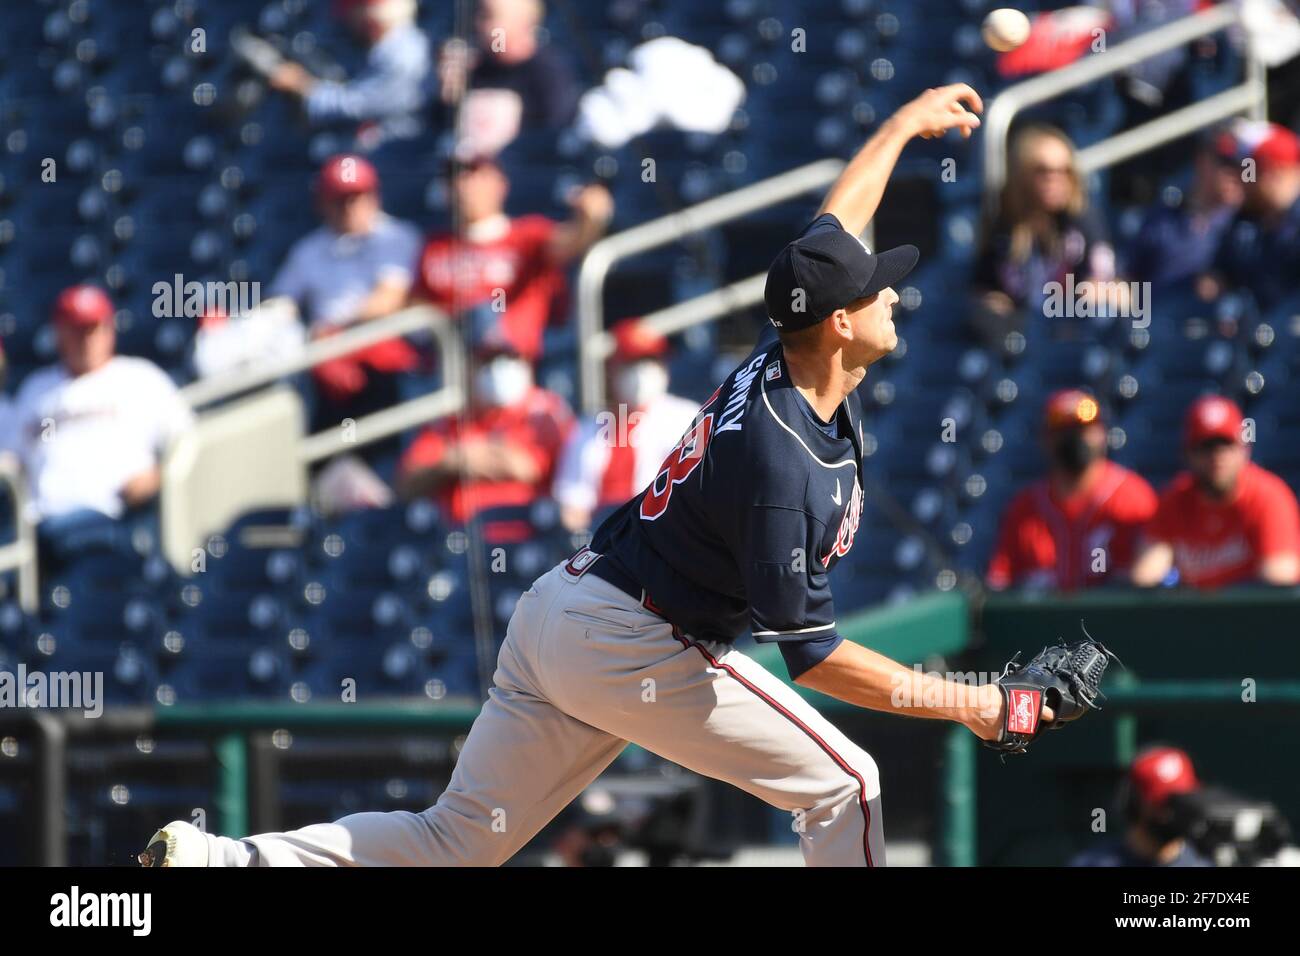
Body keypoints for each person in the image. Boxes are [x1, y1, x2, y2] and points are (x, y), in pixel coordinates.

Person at [140, 85, 1068, 869]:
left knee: (457, 841)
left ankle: (232, 860)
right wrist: (974, 702)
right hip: (636, 642)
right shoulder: (780, 457)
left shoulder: (787, 352)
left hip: (569, 612)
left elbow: (838, 221)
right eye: (878, 289)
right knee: (847, 784)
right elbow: (817, 657)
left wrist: (902, 125)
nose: (894, 292)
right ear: (834, 323)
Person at [1, 286, 193, 571]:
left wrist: (158, 475)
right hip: (41, 524)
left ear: (109, 329)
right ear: (59, 333)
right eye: (77, 330)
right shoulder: (35, 390)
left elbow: (187, 439)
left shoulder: (139, 377)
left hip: (115, 516)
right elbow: (13, 457)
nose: (87, 339)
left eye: (94, 328)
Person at [270, 154, 423, 447]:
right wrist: (316, 339)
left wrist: (328, 333)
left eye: (357, 197)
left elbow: (387, 301)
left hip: (385, 361)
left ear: (374, 196)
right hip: (328, 362)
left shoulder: (396, 237)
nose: (350, 207)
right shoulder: (309, 250)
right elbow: (281, 305)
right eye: (340, 199)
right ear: (322, 203)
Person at [411, 155, 613, 361]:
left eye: (474, 175)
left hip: (512, 366)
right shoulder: (432, 246)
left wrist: (589, 220)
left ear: (500, 183)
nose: (464, 185)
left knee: (485, 313)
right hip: (447, 365)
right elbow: (415, 306)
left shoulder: (526, 234)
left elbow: (571, 244)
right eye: (455, 177)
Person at [986, 389, 1158, 591]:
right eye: (1064, 431)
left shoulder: (1132, 498)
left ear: (1102, 433)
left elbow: (1150, 582)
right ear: (1046, 439)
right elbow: (999, 582)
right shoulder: (1025, 509)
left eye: (1082, 429)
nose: (1075, 439)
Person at [970, 124, 1122, 345]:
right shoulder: (1002, 226)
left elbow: (1100, 282)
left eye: (1064, 171)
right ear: (1022, 173)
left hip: (1072, 329)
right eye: (1043, 171)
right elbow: (985, 289)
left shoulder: (1082, 220)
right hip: (1020, 332)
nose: (1054, 179)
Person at [396, 340, 573, 525]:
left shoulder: (544, 410)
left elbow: (527, 468)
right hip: (458, 536)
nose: (498, 369)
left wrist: (463, 455)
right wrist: (453, 462)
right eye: (488, 360)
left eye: (510, 358)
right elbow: (407, 485)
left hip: (527, 530)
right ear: (470, 365)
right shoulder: (450, 419)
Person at [1132, 395, 1300, 588]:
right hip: (1197, 616)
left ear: (1244, 449)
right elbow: (1144, 577)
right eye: (1206, 446)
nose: (1217, 456)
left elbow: (1279, 580)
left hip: (1254, 617)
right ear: (1187, 453)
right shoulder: (1176, 499)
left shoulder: (1268, 497)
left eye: (1225, 444)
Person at [552, 319, 699, 532]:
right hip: (601, 538)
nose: (641, 373)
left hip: (663, 531)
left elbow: (696, 487)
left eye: (650, 362)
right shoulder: (588, 427)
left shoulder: (687, 417)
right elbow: (572, 503)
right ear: (612, 369)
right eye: (631, 363)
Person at [266, 0, 431, 148]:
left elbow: (362, 105)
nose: (347, 18)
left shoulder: (403, 52)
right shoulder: (389, 45)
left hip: (397, 152)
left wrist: (303, 87)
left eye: (354, 9)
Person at [438, 0, 580, 155]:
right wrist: (450, 98)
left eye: (489, 17)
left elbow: (554, 134)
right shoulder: (475, 70)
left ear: (522, 23)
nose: (479, 25)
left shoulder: (548, 73)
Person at [1125, 128, 1245, 292]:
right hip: (1155, 310)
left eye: (1243, 167)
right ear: (1202, 161)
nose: (1235, 175)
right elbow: (1130, 277)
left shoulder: (1247, 223)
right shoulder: (1165, 216)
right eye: (1226, 165)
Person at [1201, 123, 1300, 310]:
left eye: (1248, 171)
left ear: (1273, 173)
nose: (1241, 179)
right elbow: (1216, 277)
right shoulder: (1245, 220)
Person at [1070, 747, 1212, 867]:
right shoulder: (1094, 862)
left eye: (1180, 802)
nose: (1172, 812)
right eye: (1162, 803)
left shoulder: (1208, 862)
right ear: (1133, 805)